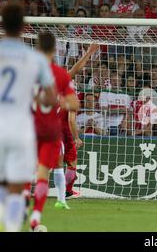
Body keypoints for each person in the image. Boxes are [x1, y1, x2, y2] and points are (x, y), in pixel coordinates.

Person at [0, 2, 57, 232]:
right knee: (17, 188)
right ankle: (10, 228)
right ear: (24, 27)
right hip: (21, 126)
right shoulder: (34, 58)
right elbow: (51, 97)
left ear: (1, 25)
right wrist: (34, 100)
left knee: (2, 186)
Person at [29, 31, 80, 230]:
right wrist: (58, 99)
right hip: (50, 130)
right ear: (54, 49)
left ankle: (23, 204)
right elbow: (74, 103)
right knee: (44, 172)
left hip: (27, 127)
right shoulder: (59, 74)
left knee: (25, 171)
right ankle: (35, 219)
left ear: (37, 48)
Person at [59, 43, 99, 199]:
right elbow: (71, 120)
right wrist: (76, 137)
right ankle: (68, 190)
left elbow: (75, 69)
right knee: (72, 162)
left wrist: (88, 53)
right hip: (63, 132)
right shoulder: (71, 97)